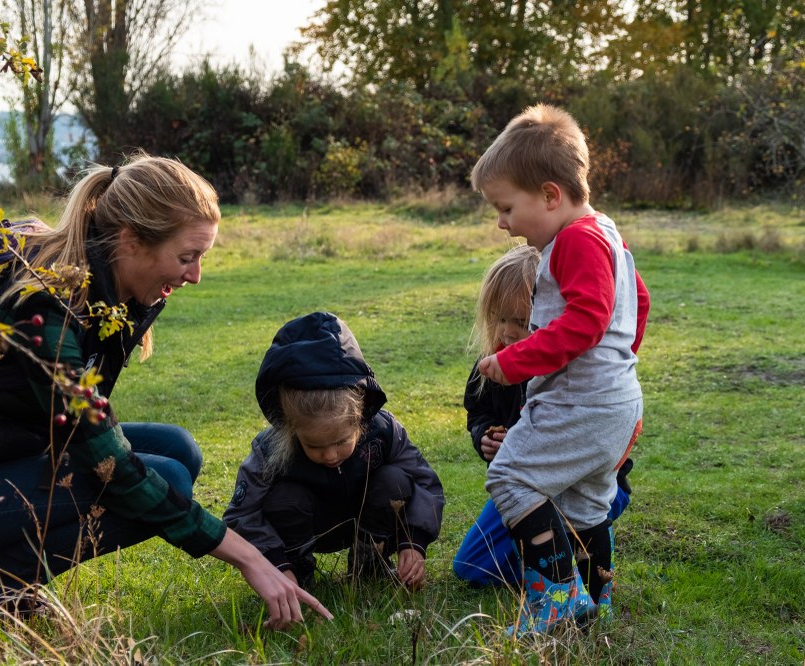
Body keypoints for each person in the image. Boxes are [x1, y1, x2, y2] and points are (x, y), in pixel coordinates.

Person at [0, 153, 331, 628]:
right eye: (186, 257)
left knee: (178, 451)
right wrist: (246, 555)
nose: (194, 276)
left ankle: (0, 583)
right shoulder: (44, 304)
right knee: (164, 479)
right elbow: (106, 460)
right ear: (130, 241)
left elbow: (87, 433)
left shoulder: (113, 299)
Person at [469, 104, 649, 637]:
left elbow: (587, 320)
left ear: (550, 195)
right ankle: (598, 597)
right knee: (585, 505)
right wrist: (620, 362)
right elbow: (636, 300)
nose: (501, 222)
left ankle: (556, 597)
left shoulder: (574, 239)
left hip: (581, 402)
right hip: (616, 399)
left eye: (505, 208)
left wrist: (512, 362)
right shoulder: (607, 232)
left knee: (511, 477)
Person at [452, 244, 635, 590]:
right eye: (499, 318)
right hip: (528, 487)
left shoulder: (575, 372)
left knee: (575, 549)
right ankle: (550, 566)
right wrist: (485, 439)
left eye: (520, 322)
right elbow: (479, 413)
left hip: (589, 483)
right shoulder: (491, 364)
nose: (506, 332)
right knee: (471, 567)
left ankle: (567, 581)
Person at [223, 312, 445, 590]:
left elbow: (426, 483)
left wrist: (414, 542)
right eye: (313, 446)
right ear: (290, 427)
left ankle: (370, 561)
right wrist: (275, 564)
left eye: (341, 441)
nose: (330, 455)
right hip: (308, 524)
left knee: (395, 481)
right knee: (283, 499)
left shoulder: (384, 431)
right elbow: (241, 515)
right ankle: (298, 573)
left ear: (361, 416)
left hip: (368, 517)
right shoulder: (269, 450)